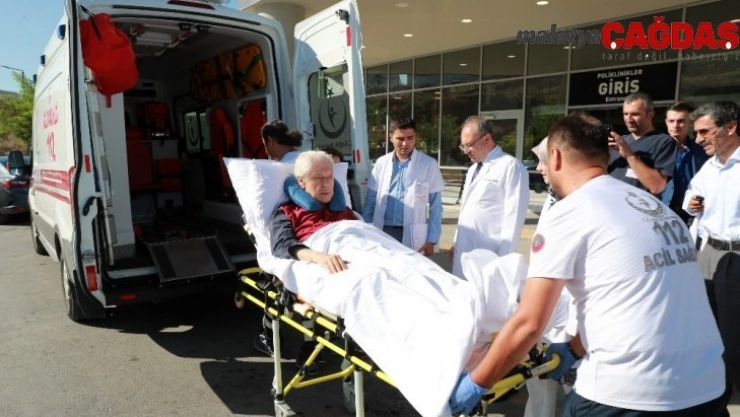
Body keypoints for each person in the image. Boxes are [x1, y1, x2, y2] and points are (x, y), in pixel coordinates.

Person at [449, 113, 726, 416]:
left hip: (630, 394)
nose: (541, 168)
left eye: (544, 161)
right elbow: (636, 299)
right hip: (708, 387)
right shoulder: (658, 211)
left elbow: (529, 324)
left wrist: (476, 382)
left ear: (556, 156)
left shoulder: (570, 213)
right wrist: (573, 348)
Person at [682, 101, 740, 416]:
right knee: (707, 336)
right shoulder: (710, 166)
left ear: (731, 127)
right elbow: (691, 198)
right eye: (697, 133)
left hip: (736, 258)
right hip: (706, 253)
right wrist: (691, 203)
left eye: (705, 132)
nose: (699, 139)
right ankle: (716, 403)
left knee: (733, 340)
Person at [524, 137, 577, 417]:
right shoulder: (552, 195)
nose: (538, 167)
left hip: (568, 312)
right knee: (538, 383)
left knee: (573, 387)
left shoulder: (578, 202)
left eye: (542, 161)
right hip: (546, 308)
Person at [450, 116, 529, 279]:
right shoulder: (472, 170)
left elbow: (513, 219)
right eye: (463, 146)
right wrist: (455, 243)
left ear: (486, 139)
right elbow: (465, 211)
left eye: (469, 145)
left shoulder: (511, 166)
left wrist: (503, 263)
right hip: (464, 251)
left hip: (489, 257)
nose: (466, 151)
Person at [254, 118, 304, 358]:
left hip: (287, 236)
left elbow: (262, 213)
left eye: (265, 144)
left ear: (271, 141)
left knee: (271, 283)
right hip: (317, 232)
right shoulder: (309, 160)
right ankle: (310, 344)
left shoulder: (274, 171)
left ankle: (269, 336)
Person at [362, 117, 444, 256]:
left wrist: (432, 239)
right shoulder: (381, 163)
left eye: (410, 138)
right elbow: (370, 203)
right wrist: (365, 231)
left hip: (413, 233)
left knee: (411, 267)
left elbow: (436, 207)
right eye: (400, 138)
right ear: (391, 138)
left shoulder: (428, 164)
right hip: (383, 229)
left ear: (415, 137)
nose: (405, 143)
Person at [271, 151, 357, 271]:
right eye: (318, 178)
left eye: (329, 177)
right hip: (334, 263)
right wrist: (318, 257)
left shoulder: (345, 211)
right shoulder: (287, 212)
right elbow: (282, 246)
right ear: (301, 181)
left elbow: (364, 233)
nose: (326, 184)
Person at [608, 91, 677, 199]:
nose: (629, 119)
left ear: (650, 115)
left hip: (639, 208)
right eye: (626, 114)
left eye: (635, 114)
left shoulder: (664, 142)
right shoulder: (620, 141)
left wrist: (629, 156)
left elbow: (657, 186)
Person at [664, 101, 709, 225]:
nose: (675, 125)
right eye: (671, 121)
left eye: (681, 121)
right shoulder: (655, 149)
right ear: (666, 122)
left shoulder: (704, 150)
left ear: (690, 122)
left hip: (693, 217)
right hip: (663, 214)